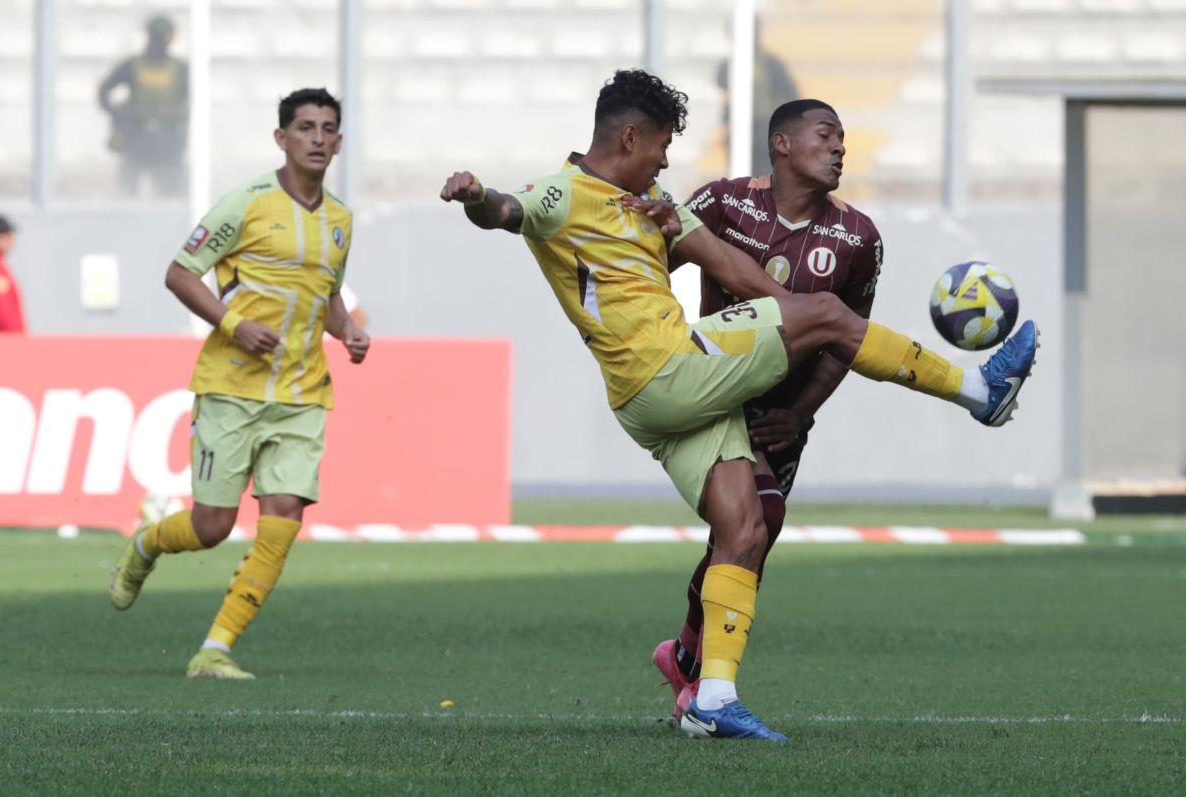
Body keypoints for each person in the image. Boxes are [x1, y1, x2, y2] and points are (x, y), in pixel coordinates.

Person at [439, 69, 1038, 741]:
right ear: (629, 136)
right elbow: (506, 211)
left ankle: (710, 695)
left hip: (655, 399)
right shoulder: (563, 190)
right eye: (661, 145)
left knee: (747, 526)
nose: (667, 160)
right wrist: (473, 195)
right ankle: (981, 392)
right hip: (668, 365)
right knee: (830, 320)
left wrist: (789, 307)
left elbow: (727, 267)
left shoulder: (656, 198)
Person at [108, 88, 370, 680]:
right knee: (211, 528)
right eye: (305, 127)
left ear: (340, 141)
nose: (319, 138)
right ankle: (147, 545)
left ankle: (215, 649)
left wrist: (348, 331)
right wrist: (233, 324)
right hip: (231, 388)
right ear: (282, 139)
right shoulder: (246, 204)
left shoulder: (341, 221)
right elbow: (180, 272)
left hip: (303, 395)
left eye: (329, 128)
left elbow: (326, 296)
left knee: (284, 518)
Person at [652, 99, 882, 721]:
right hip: (718, 391)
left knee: (751, 535)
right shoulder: (723, 203)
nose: (839, 148)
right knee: (751, 524)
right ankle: (708, 688)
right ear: (782, 143)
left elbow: (848, 342)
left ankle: (687, 659)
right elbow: (649, 269)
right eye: (826, 135)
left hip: (782, 410)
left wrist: (802, 414)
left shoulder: (858, 237)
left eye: (843, 138)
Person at [97, 14, 189, 197]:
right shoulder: (134, 65)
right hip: (137, 136)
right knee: (128, 189)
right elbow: (104, 90)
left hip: (167, 139)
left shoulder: (179, 69)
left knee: (171, 191)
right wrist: (119, 116)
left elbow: (192, 100)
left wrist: (180, 125)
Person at [717, 15, 799, 176]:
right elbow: (720, 85)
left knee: (766, 177)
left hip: (765, 129)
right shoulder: (729, 63)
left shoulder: (769, 62)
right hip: (738, 128)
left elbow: (791, 95)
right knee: (740, 180)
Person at [0, 214, 26, 333]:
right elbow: (1, 309)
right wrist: (15, 340)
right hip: (2, 344)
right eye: (4, 234)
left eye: (10, 234)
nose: (10, 239)